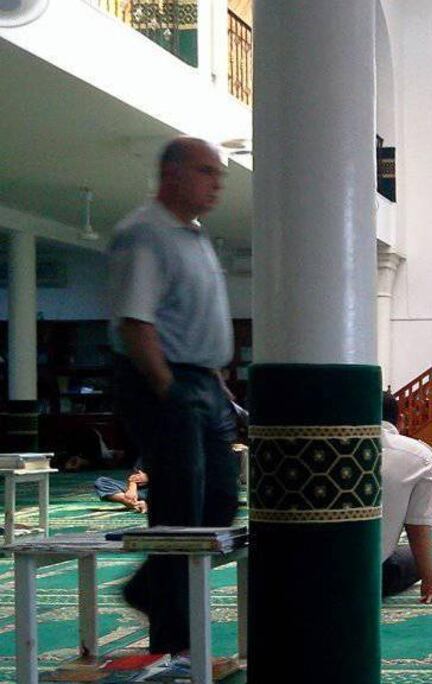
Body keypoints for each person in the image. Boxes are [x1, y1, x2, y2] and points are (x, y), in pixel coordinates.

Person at [109, 137, 239, 655]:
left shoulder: (196, 235)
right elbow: (136, 322)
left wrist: (214, 384)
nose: (217, 184)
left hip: (204, 382)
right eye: (206, 172)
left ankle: (149, 588)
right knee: (180, 514)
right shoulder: (142, 233)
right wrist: (167, 388)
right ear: (173, 174)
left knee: (222, 499)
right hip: (164, 381)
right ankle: (174, 639)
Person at [380, 393, 432, 603]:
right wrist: (431, 582)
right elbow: (417, 523)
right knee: (409, 556)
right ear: (400, 420)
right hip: (367, 577)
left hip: (293, 572)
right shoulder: (419, 455)